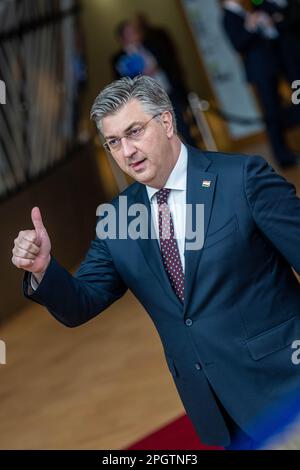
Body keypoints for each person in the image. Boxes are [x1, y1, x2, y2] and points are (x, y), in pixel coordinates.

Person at [12, 76, 300, 450]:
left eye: (134, 131)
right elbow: (80, 303)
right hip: (217, 410)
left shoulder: (242, 179)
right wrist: (43, 270)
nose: (127, 150)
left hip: (284, 386)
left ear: (166, 123)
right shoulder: (118, 217)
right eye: (114, 142)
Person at [222, 0, 299, 168]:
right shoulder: (228, 17)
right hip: (260, 72)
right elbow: (238, 44)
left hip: (271, 66)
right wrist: (250, 26)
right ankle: (282, 156)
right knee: (271, 114)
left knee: (279, 109)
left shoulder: (246, 10)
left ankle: (288, 150)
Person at [112, 19, 196, 146]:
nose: (136, 33)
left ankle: (194, 158)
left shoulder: (151, 44)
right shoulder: (119, 59)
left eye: (135, 30)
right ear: (123, 37)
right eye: (131, 31)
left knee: (182, 128)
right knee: (162, 136)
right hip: (148, 103)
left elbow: (168, 62)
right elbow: (122, 84)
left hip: (167, 93)